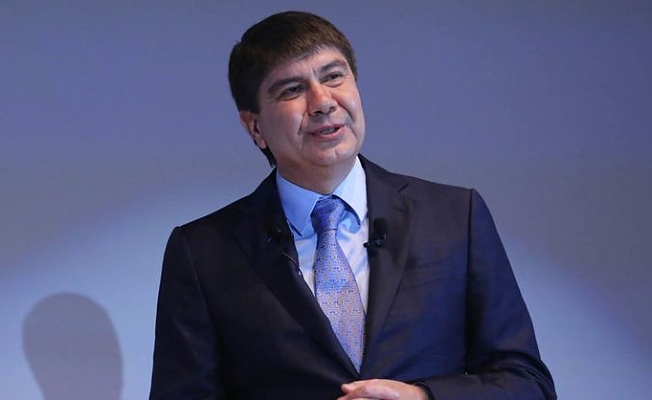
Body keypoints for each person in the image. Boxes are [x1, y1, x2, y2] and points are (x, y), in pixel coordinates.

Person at [150, 11, 556, 400]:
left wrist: (423, 398)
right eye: (292, 90)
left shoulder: (453, 216)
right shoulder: (204, 252)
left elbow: (526, 383)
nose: (323, 102)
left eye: (334, 77)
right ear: (255, 126)